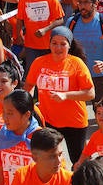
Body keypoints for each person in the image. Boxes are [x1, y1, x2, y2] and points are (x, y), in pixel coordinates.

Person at [23, 27, 95, 164]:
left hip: (74, 122)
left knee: (79, 162)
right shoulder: (39, 62)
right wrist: (29, 106)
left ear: (69, 45)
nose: (58, 47)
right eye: (54, 43)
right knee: (51, 160)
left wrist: (66, 95)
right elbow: (29, 86)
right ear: (49, 44)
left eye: (63, 44)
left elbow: (90, 93)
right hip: (49, 121)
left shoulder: (76, 63)